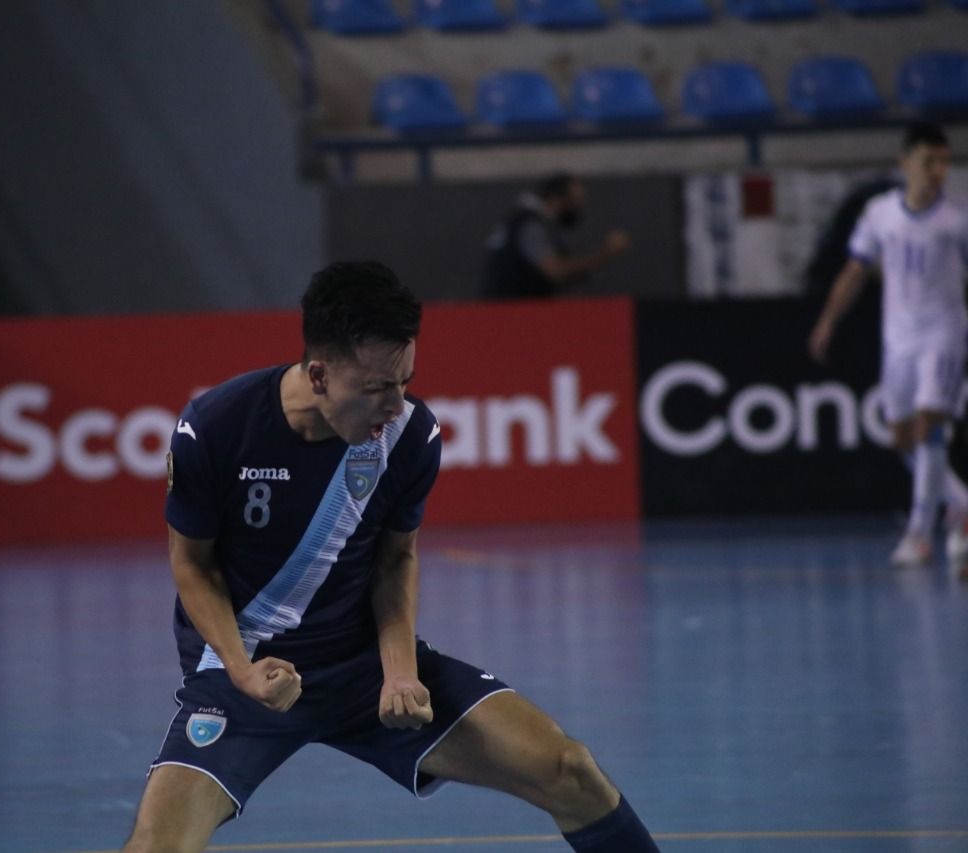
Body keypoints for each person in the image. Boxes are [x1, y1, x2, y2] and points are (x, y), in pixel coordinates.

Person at [120, 262, 659, 852]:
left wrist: (400, 669)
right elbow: (192, 566)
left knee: (570, 771)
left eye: (404, 381)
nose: (395, 405)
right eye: (377, 388)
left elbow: (394, 560)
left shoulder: (409, 437)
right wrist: (242, 671)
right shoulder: (215, 429)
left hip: (362, 668)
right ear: (319, 375)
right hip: (242, 674)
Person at [809, 122, 968, 567]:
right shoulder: (880, 214)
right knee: (900, 437)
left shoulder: (956, 221)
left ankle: (919, 535)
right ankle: (961, 504)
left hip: (944, 332)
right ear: (905, 164)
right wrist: (828, 321)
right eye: (928, 161)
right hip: (897, 337)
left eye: (943, 162)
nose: (937, 171)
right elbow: (855, 271)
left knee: (929, 425)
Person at [483, 172, 631, 300]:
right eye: (575, 201)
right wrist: (607, 252)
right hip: (512, 319)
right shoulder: (530, 225)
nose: (579, 208)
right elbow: (557, 272)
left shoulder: (519, 221)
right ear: (556, 199)